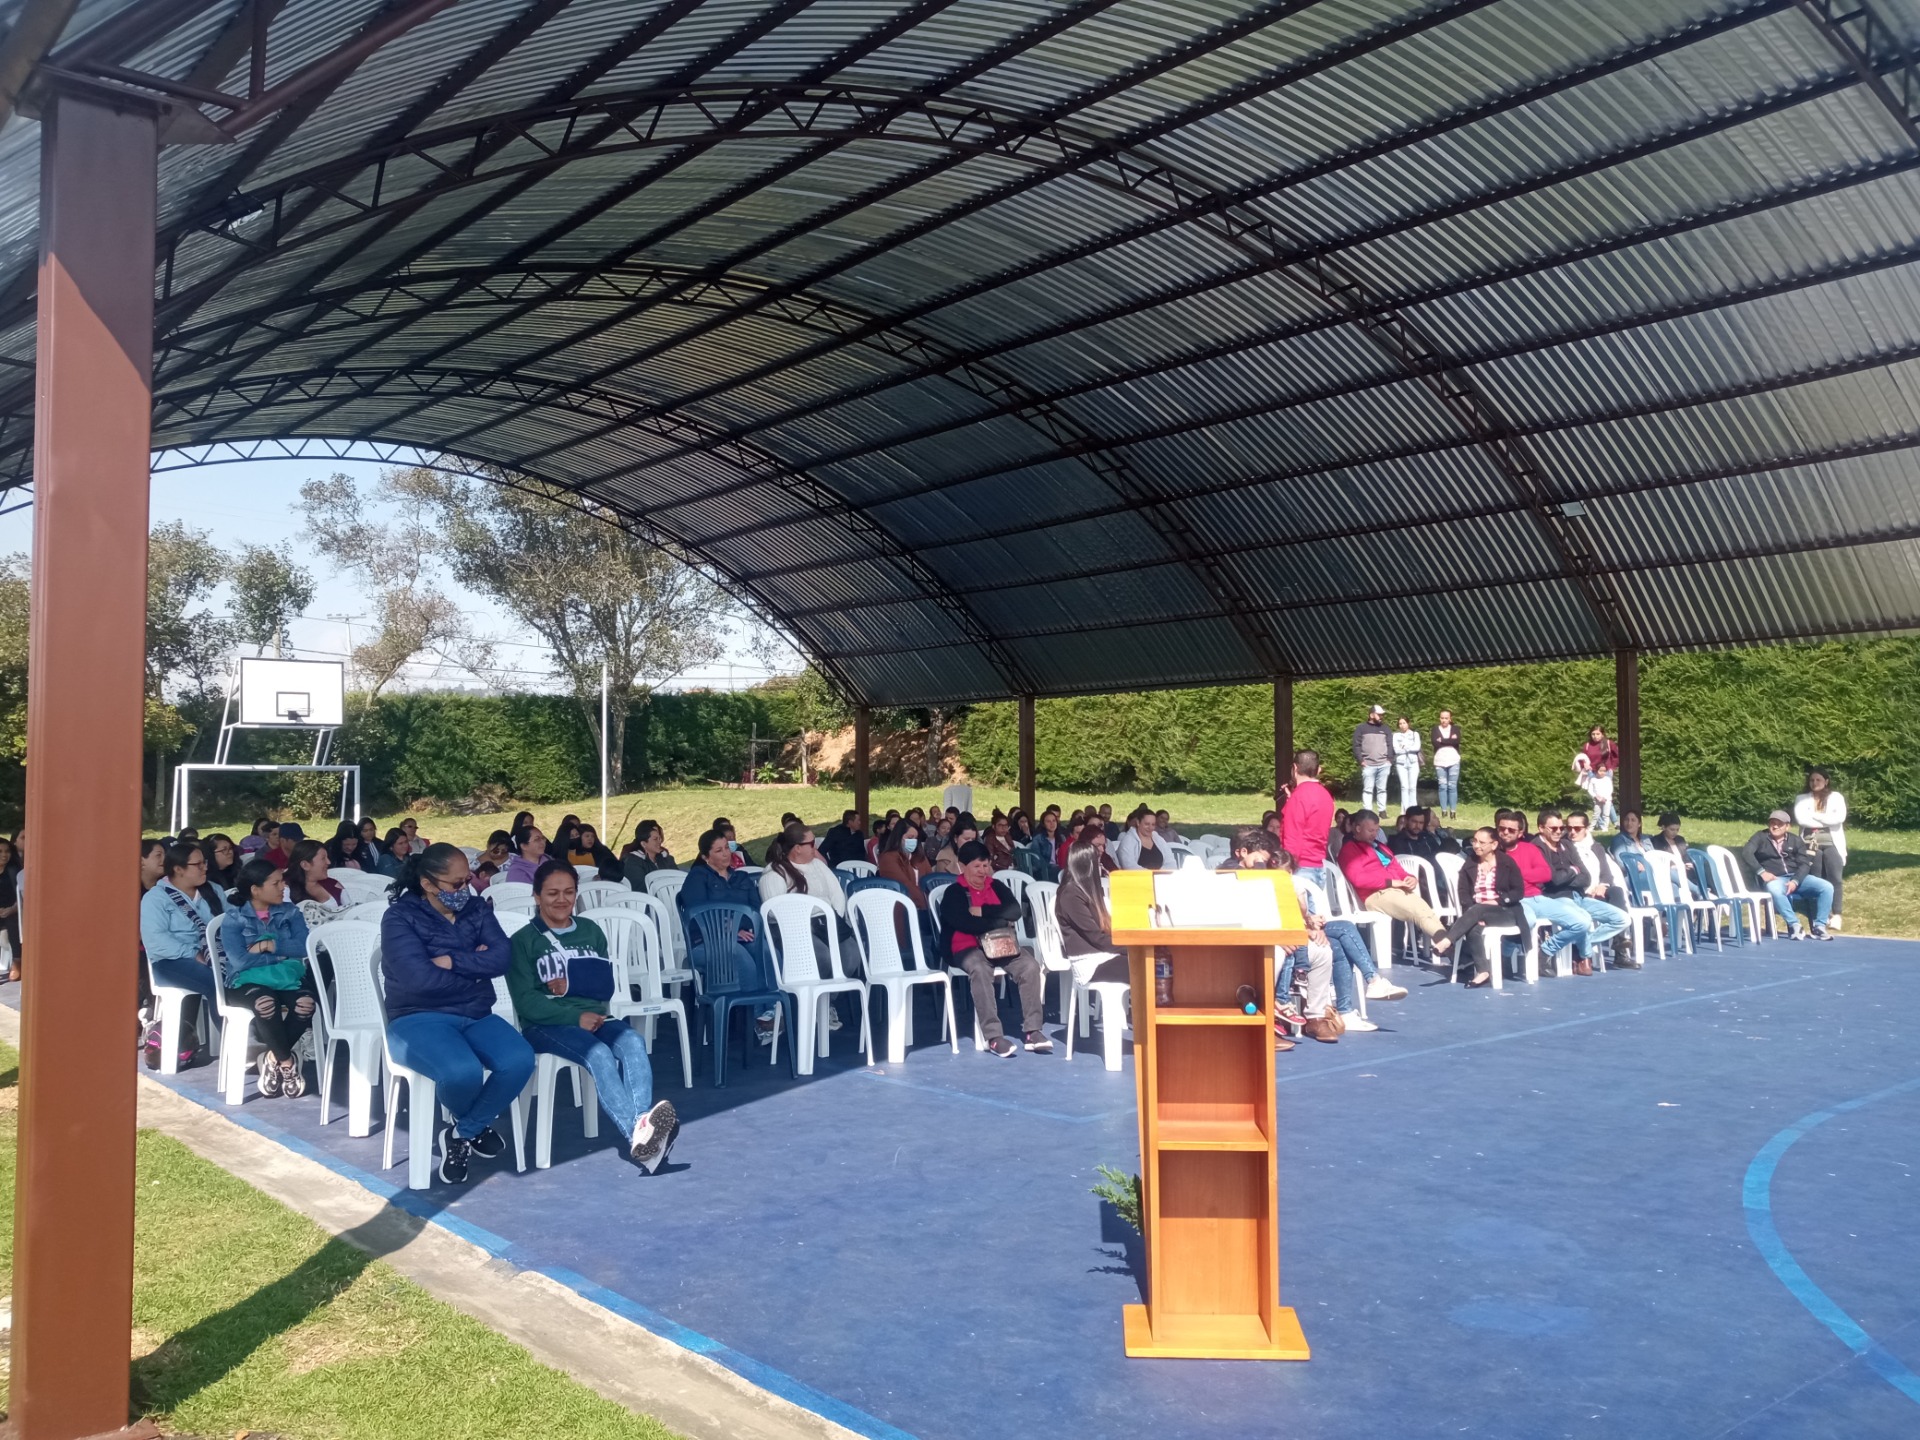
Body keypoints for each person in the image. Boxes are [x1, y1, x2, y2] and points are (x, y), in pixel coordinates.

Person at [506, 859, 679, 1171]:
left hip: (595, 1016)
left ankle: (644, 1130)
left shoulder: (590, 931)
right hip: (545, 1025)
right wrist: (575, 1017)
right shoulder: (523, 941)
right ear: (537, 896)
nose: (562, 900)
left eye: (569, 892)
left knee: (634, 1043)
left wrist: (575, 989)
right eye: (552, 893)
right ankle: (637, 1137)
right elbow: (526, 1002)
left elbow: (604, 986)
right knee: (598, 1053)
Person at [381, 844, 534, 1184]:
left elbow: (501, 958)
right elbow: (417, 979)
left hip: (476, 1012)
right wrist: (475, 970)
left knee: (520, 1059)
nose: (464, 889)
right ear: (428, 883)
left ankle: (462, 1132)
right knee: (462, 1071)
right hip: (417, 1016)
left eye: (467, 880)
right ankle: (473, 1127)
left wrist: (453, 960)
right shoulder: (399, 917)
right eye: (455, 884)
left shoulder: (476, 908)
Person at [937, 841, 1048, 1058]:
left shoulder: (995, 886)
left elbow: (1014, 910)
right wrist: (999, 921)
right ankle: (993, 1036)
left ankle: (1033, 1031)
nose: (982, 871)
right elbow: (963, 923)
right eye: (977, 866)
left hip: (1001, 945)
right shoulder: (954, 893)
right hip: (965, 947)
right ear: (962, 866)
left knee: (1030, 966)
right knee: (980, 969)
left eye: (986, 866)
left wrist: (982, 911)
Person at [220, 857, 317, 1097]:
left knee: (306, 1005)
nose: (283, 886)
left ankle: (272, 1056)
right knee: (265, 1003)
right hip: (246, 981)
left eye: (281, 881)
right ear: (255, 890)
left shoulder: (290, 912)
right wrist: (280, 953)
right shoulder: (234, 919)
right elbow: (240, 962)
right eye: (275, 883)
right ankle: (287, 1064)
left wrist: (268, 946)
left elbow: (305, 946)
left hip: (285, 978)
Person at [1337, 811, 1453, 961]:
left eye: (1376, 830)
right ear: (1358, 829)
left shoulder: (1380, 847)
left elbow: (1397, 869)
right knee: (1419, 910)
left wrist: (1409, 878)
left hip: (1395, 890)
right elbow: (1358, 879)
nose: (1374, 834)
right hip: (1374, 895)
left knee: (1425, 910)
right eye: (1370, 830)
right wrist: (1390, 882)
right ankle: (1451, 947)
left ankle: (1446, 944)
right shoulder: (1349, 850)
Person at [1495, 810, 1590, 972]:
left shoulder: (1529, 849)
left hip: (1538, 898)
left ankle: (1545, 951)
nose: (1505, 833)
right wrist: (1525, 876)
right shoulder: (1493, 852)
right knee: (1528, 921)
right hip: (1515, 900)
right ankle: (1505, 956)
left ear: (1520, 833)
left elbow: (1545, 874)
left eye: (1511, 830)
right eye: (1502, 829)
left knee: (1582, 922)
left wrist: (1517, 873)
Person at [1533, 809, 1627, 972]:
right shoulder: (1536, 847)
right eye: (1554, 828)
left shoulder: (1567, 845)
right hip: (1557, 898)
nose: (1560, 832)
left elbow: (1586, 877)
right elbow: (1553, 880)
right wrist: (1573, 871)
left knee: (1622, 919)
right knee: (1583, 921)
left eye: (1560, 828)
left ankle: (1581, 946)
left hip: (1579, 896)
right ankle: (1548, 950)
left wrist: (1570, 874)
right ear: (1541, 828)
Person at [1438, 827, 1525, 986]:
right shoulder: (1470, 863)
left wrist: (1498, 901)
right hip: (1476, 912)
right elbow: (1463, 891)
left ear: (1494, 845)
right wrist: (1474, 912)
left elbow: (1518, 892)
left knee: (1477, 909)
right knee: (1473, 926)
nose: (1476, 845)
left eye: (1481, 842)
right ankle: (1483, 971)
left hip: (1506, 912)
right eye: (1474, 841)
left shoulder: (1506, 863)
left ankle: (1447, 941)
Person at [140, 842, 219, 1009]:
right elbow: (156, 940)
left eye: (204, 862)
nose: (204, 868)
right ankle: (225, 1033)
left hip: (215, 953)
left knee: (244, 975)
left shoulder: (213, 890)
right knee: (216, 981)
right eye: (198, 865)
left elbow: (231, 922)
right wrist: (193, 954)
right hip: (171, 961)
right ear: (178, 869)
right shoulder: (155, 898)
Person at [1743, 809, 1835, 940]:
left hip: (1796, 877)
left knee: (1826, 887)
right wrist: (1761, 872)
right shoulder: (1760, 836)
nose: (1775, 826)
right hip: (1775, 879)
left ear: (1787, 826)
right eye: (1772, 823)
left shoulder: (1795, 840)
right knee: (1774, 888)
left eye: (1779, 824)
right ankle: (1795, 925)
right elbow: (1747, 853)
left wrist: (1795, 881)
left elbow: (1804, 864)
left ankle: (1819, 926)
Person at [1794, 767, 1848, 932]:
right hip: (1810, 843)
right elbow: (1802, 819)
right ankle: (1821, 916)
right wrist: (1826, 819)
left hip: (1832, 843)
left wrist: (1816, 817)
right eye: (1812, 780)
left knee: (1835, 877)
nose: (1814, 783)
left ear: (1826, 781)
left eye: (1818, 780)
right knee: (1817, 878)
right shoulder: (1801, 799)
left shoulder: (1836, 797)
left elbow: (1839, 818)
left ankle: (1837, 914)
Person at [1278, 750, 1336, 890]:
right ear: (1318, 770)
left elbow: (1292, 837)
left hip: (1300, 867)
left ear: (1295, 768)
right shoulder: (1326, 795)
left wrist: (1285, 868)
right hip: (1318, 864)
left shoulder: (1299, 797)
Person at [288, 838, 344, 925]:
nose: (328, 862)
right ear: (305, 865)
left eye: (327, 857)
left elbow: (351, 911)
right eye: (323, 858)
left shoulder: (333, 884)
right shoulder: (286, 890)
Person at [1352, 704, 1392, 814]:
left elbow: (1390, 744)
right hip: (1368, 764)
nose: (1381, 717)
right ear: (1371, 715)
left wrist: (1389, 759)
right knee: (1368, 790)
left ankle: (1382, 811)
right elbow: (1356, 745)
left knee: (1382, 789)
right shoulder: (1361, 728)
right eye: (1378, 714)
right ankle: (1367, 812)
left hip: (1384, 764)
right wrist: (1361, 760)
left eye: (1381, 715)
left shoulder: (1385, 728)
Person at [1580, 727, 1622, 831]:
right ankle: (1602, 823)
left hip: (1606, 772)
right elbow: (1582, 758)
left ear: (1602, 734)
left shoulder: (1609, 743)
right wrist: (1584, 765)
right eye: (1593, 734)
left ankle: (1615, 822)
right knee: (1596, 799)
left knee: (1607, 798)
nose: (1595, 736)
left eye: (1598, 734)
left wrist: (1612, 767)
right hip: (1592, 773)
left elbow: (1617, 756)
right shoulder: (1587, 746)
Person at [1649, 812, 1702, 890]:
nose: (1675, 832)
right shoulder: (1656, 841)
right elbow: (1661, 861)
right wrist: (1677, 866)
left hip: (1686, 870)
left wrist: (1689, 863)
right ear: (1663, 827)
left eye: (1677, 829)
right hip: (1671, 872)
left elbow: (1686, 855)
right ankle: (1698, 890)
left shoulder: (1680, 839)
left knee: (1704, 868)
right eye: (1672, 829)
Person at [622, 820, 676, 889]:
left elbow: (678, 878)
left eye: (659, 838)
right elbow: (640, 889)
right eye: (655, 839)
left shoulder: (665, 857)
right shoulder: (633, 862)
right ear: (644, 844)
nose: (660, 841)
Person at [1114, 806, 1169, 870]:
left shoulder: (1159, 839)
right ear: (1138, 823)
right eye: (1147, 824)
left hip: (1160, 878)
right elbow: (1129, 866)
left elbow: (1170, 862)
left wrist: (1161, 875)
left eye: (1153, 824)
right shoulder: (1128, 841)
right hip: (1137, 879)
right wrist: (1152, 875)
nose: (1150, 827)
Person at [1431, 710, 1461, 818]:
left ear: (1450, 719)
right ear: (1440, 718)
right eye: (1442, 718)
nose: (1444, 720)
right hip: (1439, 761)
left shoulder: (1455, 729)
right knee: (1442, 786)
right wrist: (1449, 740)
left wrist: (1442, 741)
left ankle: (1453, 811)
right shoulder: (1435, 729)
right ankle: (1444, 811)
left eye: (1446, 718)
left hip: (1453, 760)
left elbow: (1456, 741)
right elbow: (1435, 742)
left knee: (1452, 786)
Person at [1390, 715, 1423, 814]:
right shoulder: (1396, 735)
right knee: (1404, 786)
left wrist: (1405, 747)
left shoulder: (1414, 734)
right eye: (1400, 723)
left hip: (1413, 762)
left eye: (1404, 723)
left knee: (1412, 786)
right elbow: (1396, 749)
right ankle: (1404, 810)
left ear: (1408, 723)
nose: (1402, 725)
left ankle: (1413, 809)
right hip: (1401, 763)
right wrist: (1408, 747)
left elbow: (1417, 747)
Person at [0, 835, 19, 981]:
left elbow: (22, 896)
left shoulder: (14, 871)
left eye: (7, 851)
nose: (4, 855)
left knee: (13, 922)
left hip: (13, 910)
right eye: (0, 851)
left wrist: (12, 908)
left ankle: (16, 962)